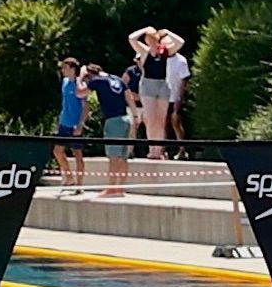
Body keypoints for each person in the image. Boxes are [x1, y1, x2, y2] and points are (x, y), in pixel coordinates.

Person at [128, 27, 187, 158]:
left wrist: (167, 32)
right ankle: (152, 149)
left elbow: (180, 42)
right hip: (148, 85)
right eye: (148, 39)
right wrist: (144, 29)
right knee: (151, 119)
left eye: (152, 38)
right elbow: (131, 38)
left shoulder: (165, 51)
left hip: (162, 84)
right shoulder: (144, 51)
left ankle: (158, 150)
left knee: (160, 120)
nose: (150, 41)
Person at [84, 63, 133, 198]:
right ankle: (120, 188)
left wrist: (81, 76)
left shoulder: (97, 80)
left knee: (113, 156)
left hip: (113, 121)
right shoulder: (116, 78)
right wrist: (134, 116)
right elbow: (128, 96)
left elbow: (80, 92)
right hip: (125, 118)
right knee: (123, 157)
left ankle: (111, 188)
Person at [54, 57, 85, 182]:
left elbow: (85, 106)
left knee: (77, 154)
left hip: (75, 124)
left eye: (65, 68)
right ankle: (69, 177)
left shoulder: (80, 85)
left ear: (72, 69)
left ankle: (79, 184)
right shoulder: (65, 82)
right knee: (57, 151)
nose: (62, 70)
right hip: (64, 122)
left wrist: (80, 124)